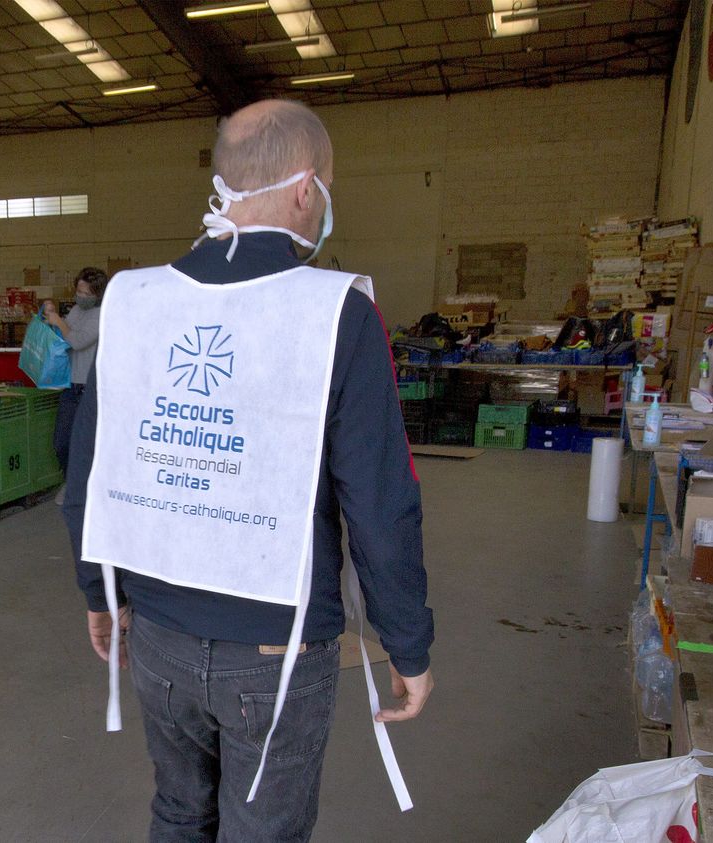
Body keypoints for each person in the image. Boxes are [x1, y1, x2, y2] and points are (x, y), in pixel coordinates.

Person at [61, 100, 435, 842]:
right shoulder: (336, 314)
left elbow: (94, 466)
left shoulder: (133, 301)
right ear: (307, 190)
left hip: (159, 633)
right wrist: (408, 642)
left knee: (177, 811)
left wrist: (97, 589)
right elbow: (379, 502)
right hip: (276, 651)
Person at [42, 266, 108, 470]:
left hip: (89, 388)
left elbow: (78, 341)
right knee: (61, 441)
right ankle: (71, 482)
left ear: (97, 294)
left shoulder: (101, 315)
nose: (81, 297)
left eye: (86, 293)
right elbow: (63, 336)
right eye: (78, 292)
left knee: (86, 443)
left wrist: (59, 321)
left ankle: (82, 487)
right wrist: (51, 315)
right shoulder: (77, 310)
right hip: (71, 385)